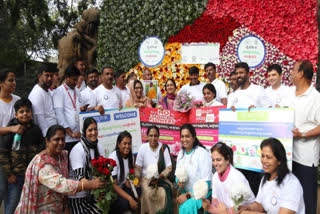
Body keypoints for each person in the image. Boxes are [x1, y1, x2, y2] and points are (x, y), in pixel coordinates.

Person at [15, 125, 105, 213]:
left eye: (63, 139)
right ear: (47, 141)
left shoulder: (62, 156)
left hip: (58, 207)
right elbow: (62, 184)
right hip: (40, 208)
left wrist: (65, 206)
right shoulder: (42, 164)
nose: (61, 143)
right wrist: (89, 184)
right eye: (56, 139)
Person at [287, 60, 320, 214]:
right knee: (291, 199)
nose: (291, 73)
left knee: (307, 201)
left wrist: (303, 134)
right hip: (288, 156)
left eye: (294, 70)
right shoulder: (289, 93)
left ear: (301, 74)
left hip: (306, 160)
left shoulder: (315, 98)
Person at [238, 138, 305, 214]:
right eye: (262, 156)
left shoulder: (291, 183)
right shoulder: (265, 178)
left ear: (279, 160)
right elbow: (259, 206)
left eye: (268, 157)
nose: (264, 161)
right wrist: (247, 207)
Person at [0, 99, 43, 214]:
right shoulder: (10, 130)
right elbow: (3, 154)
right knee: (12, 204)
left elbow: (41, 150)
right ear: (16, 114)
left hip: (32, 176)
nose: (25, 114)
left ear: (31, 113)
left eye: (27, 111)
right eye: (21, 111)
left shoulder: (36, 130)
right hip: (16, 176)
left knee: (30, 205)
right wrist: (9, 174)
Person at [202, 142, 255, 214]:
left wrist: (210, 208)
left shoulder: (237, 178)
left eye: (218, 160)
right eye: (213, 160)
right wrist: (209, 206)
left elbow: (234, 211)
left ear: (227, 160)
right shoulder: (215, 177)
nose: (215, 164)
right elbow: (215, 202)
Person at [68, 117, 104, 213]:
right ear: (84, 132)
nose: (93, 133)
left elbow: (103, 172)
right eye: (90, 130)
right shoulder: (78, 150)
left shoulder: (99, 147)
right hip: (77, 197)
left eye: (95, 129)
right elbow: (81, 179)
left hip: (92, 194)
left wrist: (101, 190)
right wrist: (95, 184)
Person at [135, 125, 173, 214]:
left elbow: (169, 167)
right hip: (146, 180)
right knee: (147, 193)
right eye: (151, 135)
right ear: (147, 136)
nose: (153, 138)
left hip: (160, 178)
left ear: (158, 136)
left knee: (163, 193)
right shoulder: (143, 148)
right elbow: (138, 167)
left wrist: (159, 177)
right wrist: (136, 179)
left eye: (155, 136)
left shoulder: (163, 148)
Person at [176, 124, 212, 214]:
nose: (184, 139)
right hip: (186, 192)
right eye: (182, 136)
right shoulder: (180, 154)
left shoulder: (202, 153)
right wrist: (179, 182)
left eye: (187, 136)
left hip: (201, 193)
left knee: (186, 207)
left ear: (194, 138)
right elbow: (177, 174)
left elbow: (206, 182)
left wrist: (187, 196)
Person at [53, 64, 85, 153]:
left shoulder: (77, 91)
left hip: (78, 136)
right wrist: (71, 133)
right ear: (67, 77)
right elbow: (60, 115)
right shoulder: (59, 92)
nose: (76, 82)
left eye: (77, 79)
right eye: (74, 79)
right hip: (67, 138)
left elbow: (77, 109)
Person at [109, 131, 139, 214]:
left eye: (129, 144)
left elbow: (130, 176)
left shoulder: (131, 156)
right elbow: (113, 186)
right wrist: (129, 198)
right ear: (118, 144)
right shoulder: (113, 158)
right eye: (124, 143)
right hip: (114, 192)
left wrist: (129, 182)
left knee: (139, 191)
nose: (127, 146)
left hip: (123, 188)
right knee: (126, 202)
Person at [28, 64, 57, 136]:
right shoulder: (36, 93)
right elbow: (39, 119)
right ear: (39, 77)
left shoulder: (49, 92)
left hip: (54, 132)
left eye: (51, 76)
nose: (50, 78)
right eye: (47, 76)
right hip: (46, 136)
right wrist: (47, 137)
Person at [0, 69, 21, 135]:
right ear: (1, 83)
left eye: (15, 80)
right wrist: (11, 129)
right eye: (10, 80)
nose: (14, 83)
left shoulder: (17, 99)